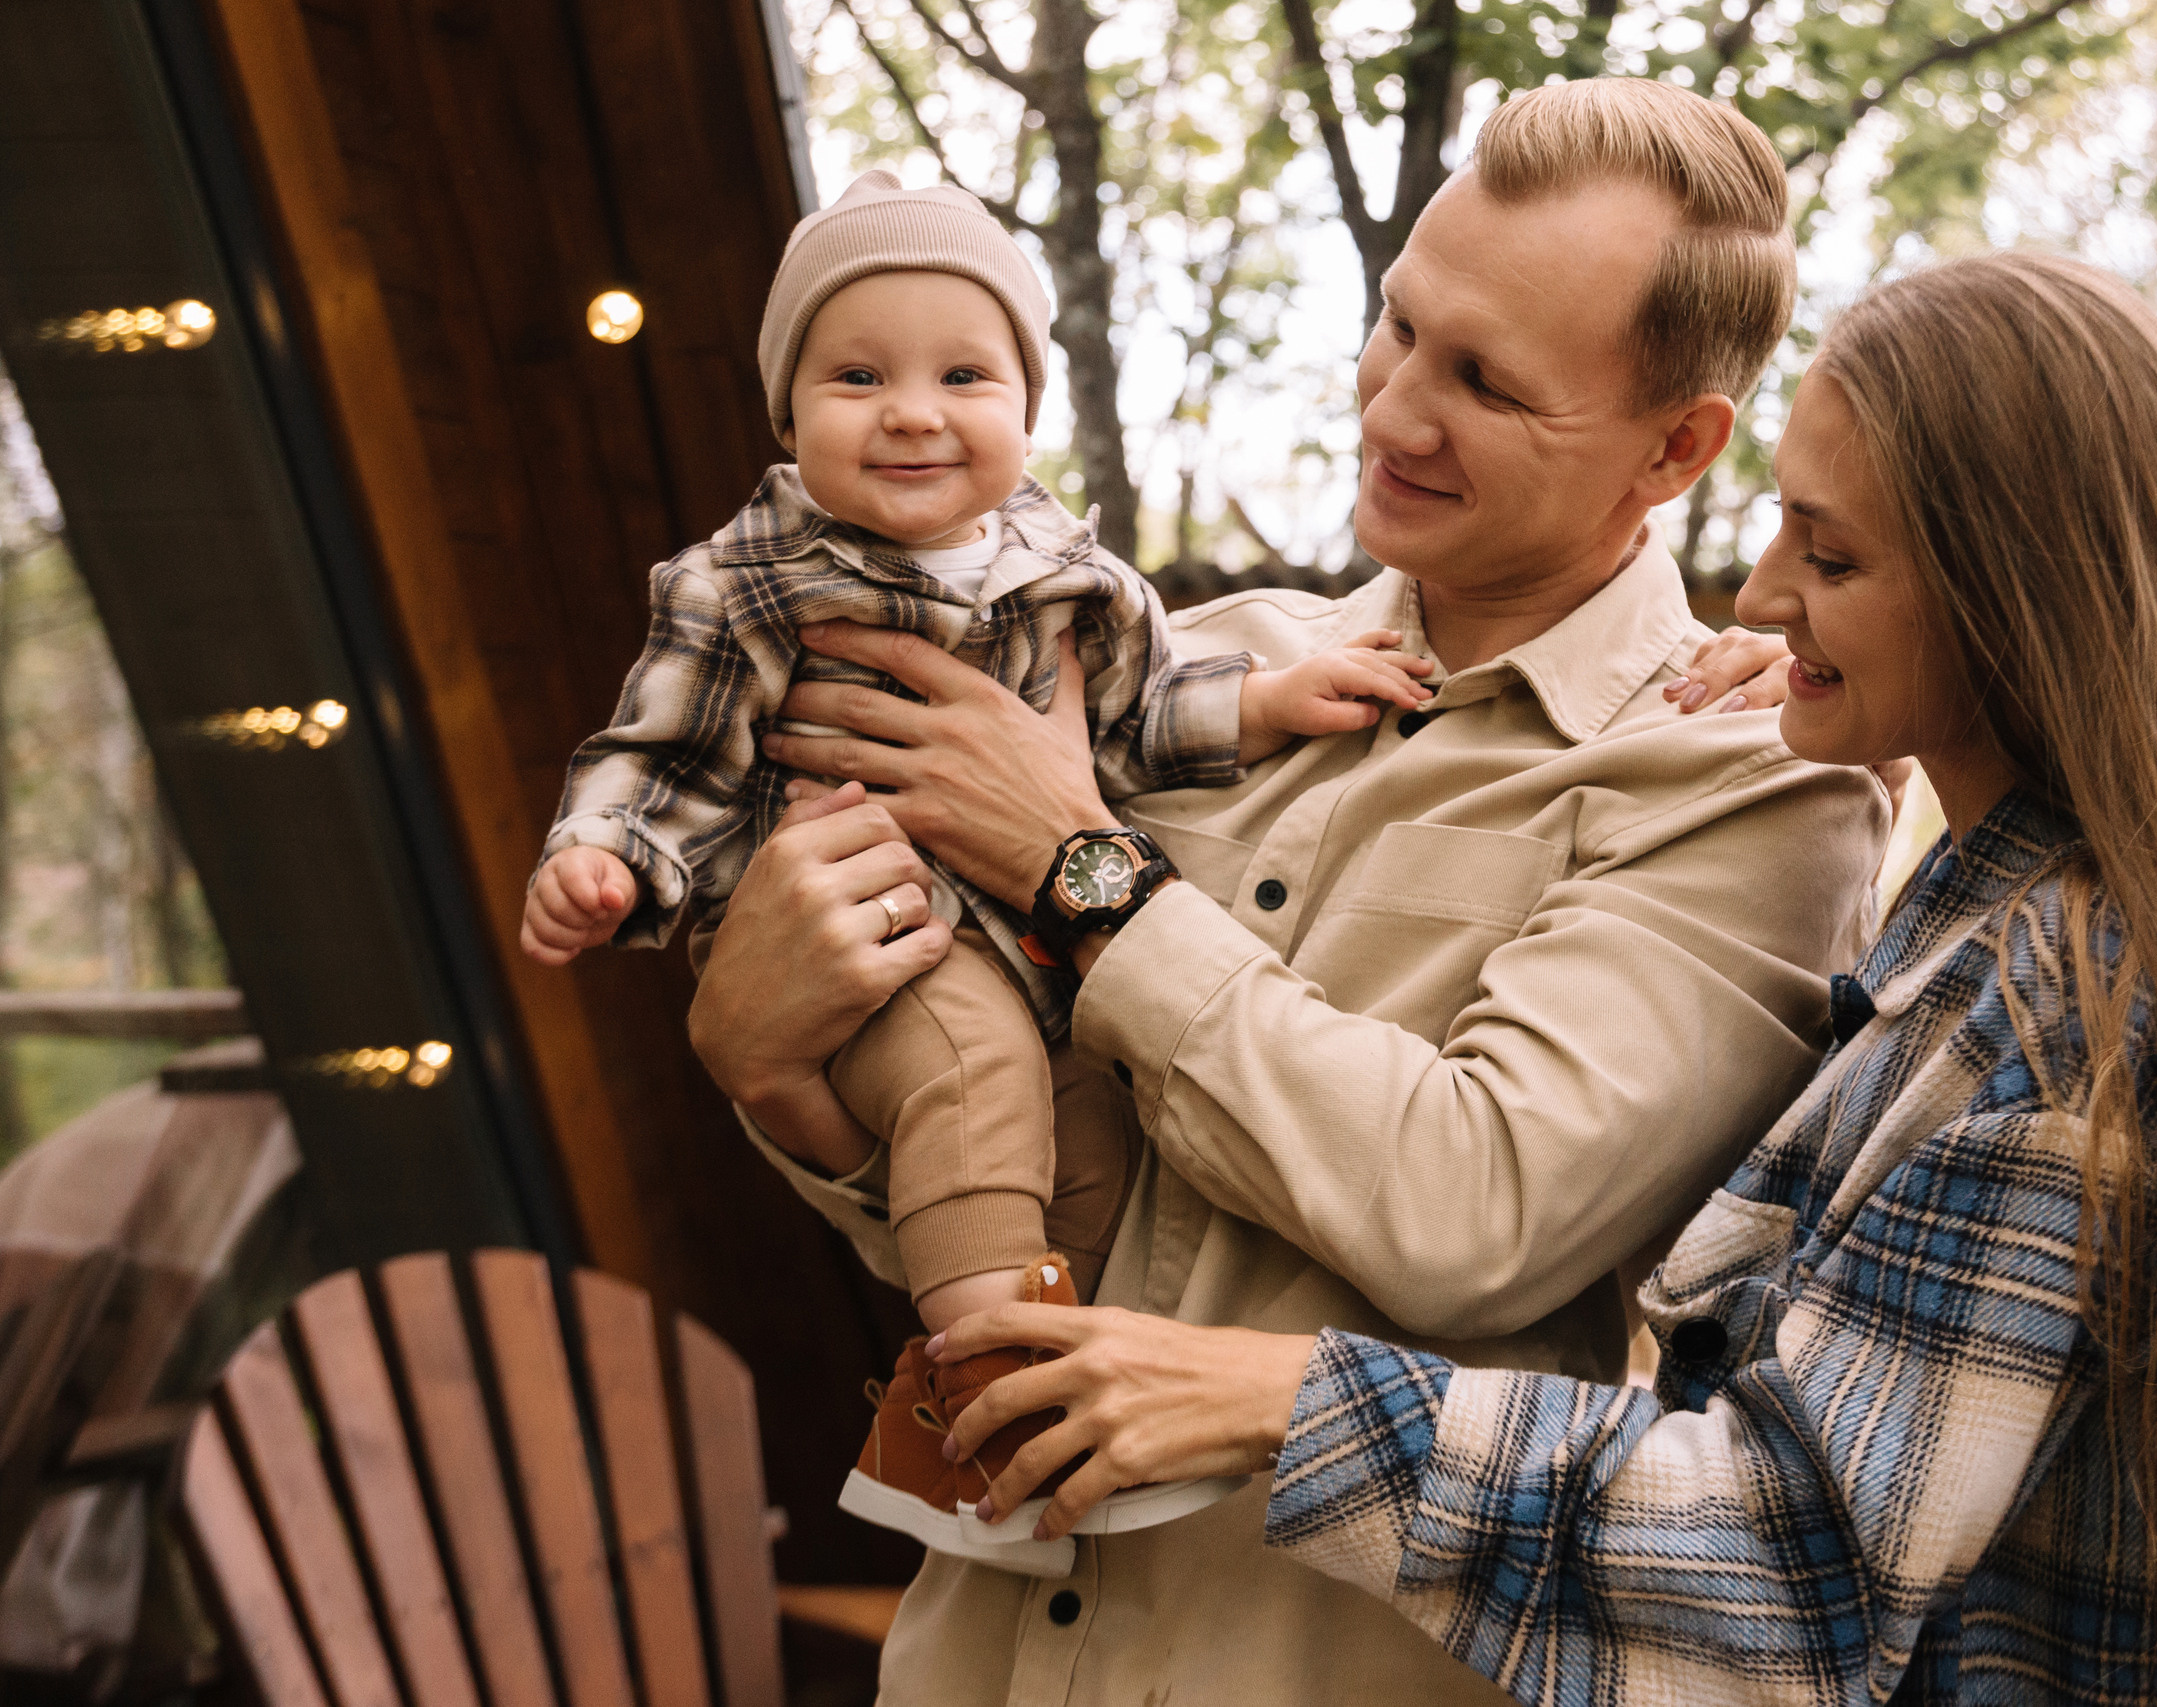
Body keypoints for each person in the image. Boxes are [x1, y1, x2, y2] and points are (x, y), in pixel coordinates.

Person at [925, 251, 2157, 1706]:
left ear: (2013, 603)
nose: (1758, 596)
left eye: (1833, 557)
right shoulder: (1985, 928)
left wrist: (1280, 1398)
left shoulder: (2052, 1009)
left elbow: (1800, 1570)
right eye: (1782, 532)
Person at [687, 81, 1893, 1704]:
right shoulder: (1189, 669)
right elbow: (1023, 1193)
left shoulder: (1743, 782)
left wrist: (1081, 871)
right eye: (1400, 326)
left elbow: (1473, 1217)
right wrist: (775, 1072)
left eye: (1486, 382)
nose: (1397, 408)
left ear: (1675, 447)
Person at [517, 167, 1433, 1553]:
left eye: (963, 375)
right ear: (787, 415)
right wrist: (603, 854)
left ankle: (1057, 1403)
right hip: (879, 936)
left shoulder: (1074, 575)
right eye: (857, 376)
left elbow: (1138, 718)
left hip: (1037, 950)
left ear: (1026, 406)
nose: (911, 411)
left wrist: (1267, 700)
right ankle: (987, 1404)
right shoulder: (746, 585)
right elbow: (661, 753)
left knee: (1095, 1145)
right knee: (972, 1074)